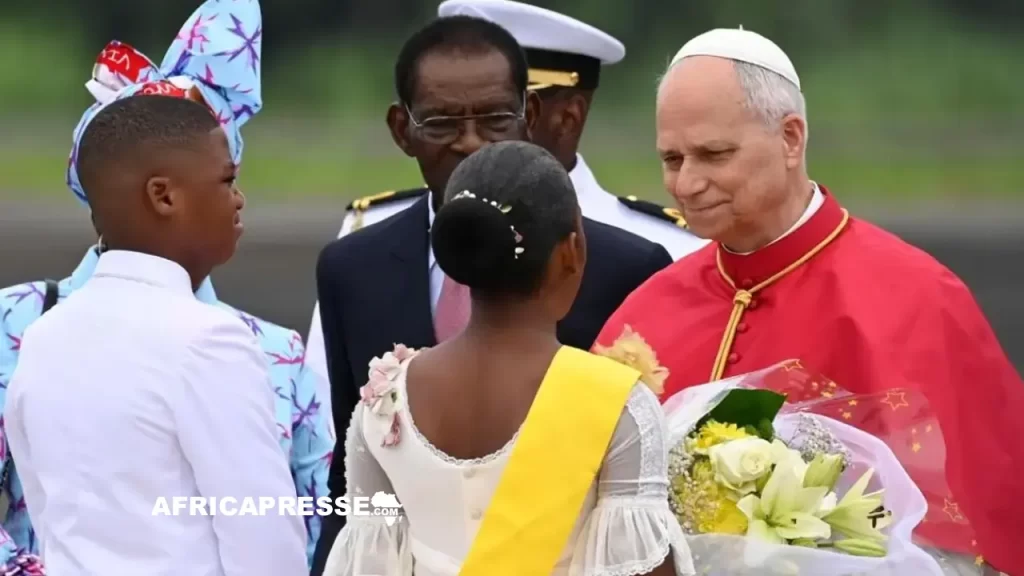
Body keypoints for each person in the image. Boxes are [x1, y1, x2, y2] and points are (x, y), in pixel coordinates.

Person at [594, 27, 1024, 575]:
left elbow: (972, 533)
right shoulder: (645, 313)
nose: (687, 183)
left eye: (713, 154)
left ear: (790, 139)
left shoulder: (917, 298)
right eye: (672, 159)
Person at [310, 15, 673, 574]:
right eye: (442, 122)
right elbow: (354, 488)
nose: (471, 141)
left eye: (495, 117)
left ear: (531, 113)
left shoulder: (628, 265)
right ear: (401, 128)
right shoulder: (351, 269)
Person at [0, 9, 331, 567]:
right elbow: (270, 546)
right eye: (226, 179)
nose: (240, 198)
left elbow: (325, 516)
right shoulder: (217, 342)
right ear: (163, 194)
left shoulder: (42, 335)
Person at [437, 0, 708, 261]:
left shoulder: (667, 252)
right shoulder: (411, 224)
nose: (468, 138)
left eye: (498, 113)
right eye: (449, 113)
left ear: (568, 117)